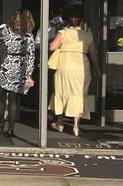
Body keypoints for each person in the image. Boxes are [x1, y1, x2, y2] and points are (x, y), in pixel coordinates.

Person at [50, 9, 99, 137]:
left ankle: (60, 123)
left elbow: (52, 47)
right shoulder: (88, 35)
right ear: (82, 22)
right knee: (79, 94)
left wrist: (63, 46)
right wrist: (97, 68)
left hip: (65, 64)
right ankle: (76, 126)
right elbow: (93, 54)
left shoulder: (63, 32)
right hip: (81, 66)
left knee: (61, 92)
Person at [0, 10, 37, 139]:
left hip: (2, 65)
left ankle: (0, 121)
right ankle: (10, 129)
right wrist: (29, 75)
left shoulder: (4, 30)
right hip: (18, 68)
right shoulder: (28, 36)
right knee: (13, 100)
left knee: (0, 97)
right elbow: (30, 57)